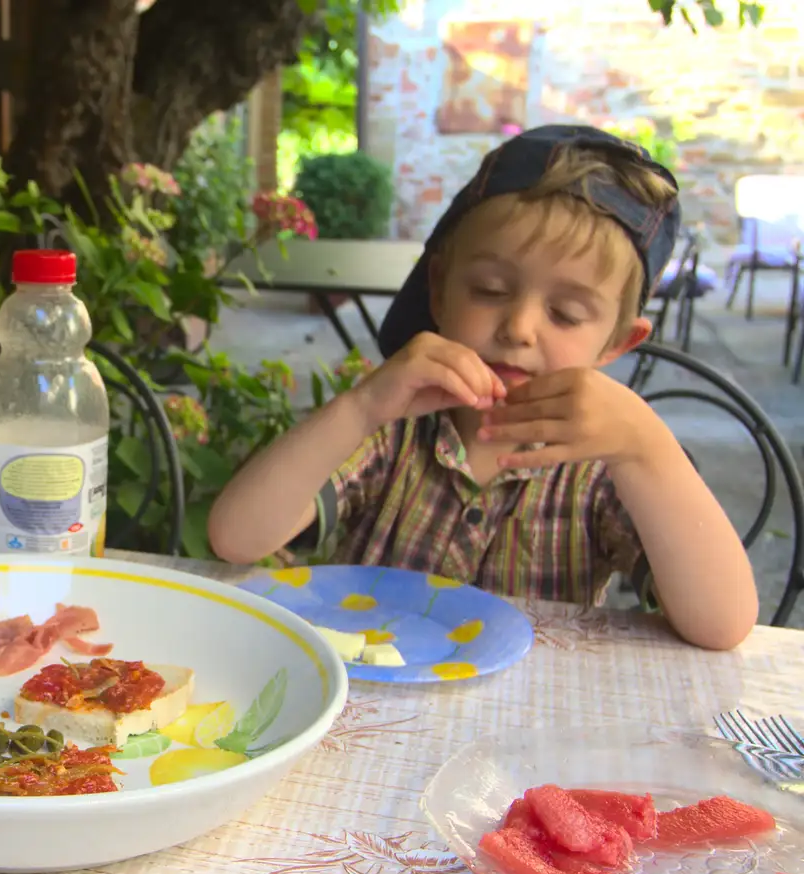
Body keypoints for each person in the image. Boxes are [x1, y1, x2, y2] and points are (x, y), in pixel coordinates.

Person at [208, 125, 757, 651]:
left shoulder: (605, 470)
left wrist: (647, 448)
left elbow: (722, 623)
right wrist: (362, 405)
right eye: (490, 290)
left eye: (565, 314)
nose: (518, 328)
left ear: (616, 342)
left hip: (535, 727)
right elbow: (236, 539)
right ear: (440, 289)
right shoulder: (394, 429)